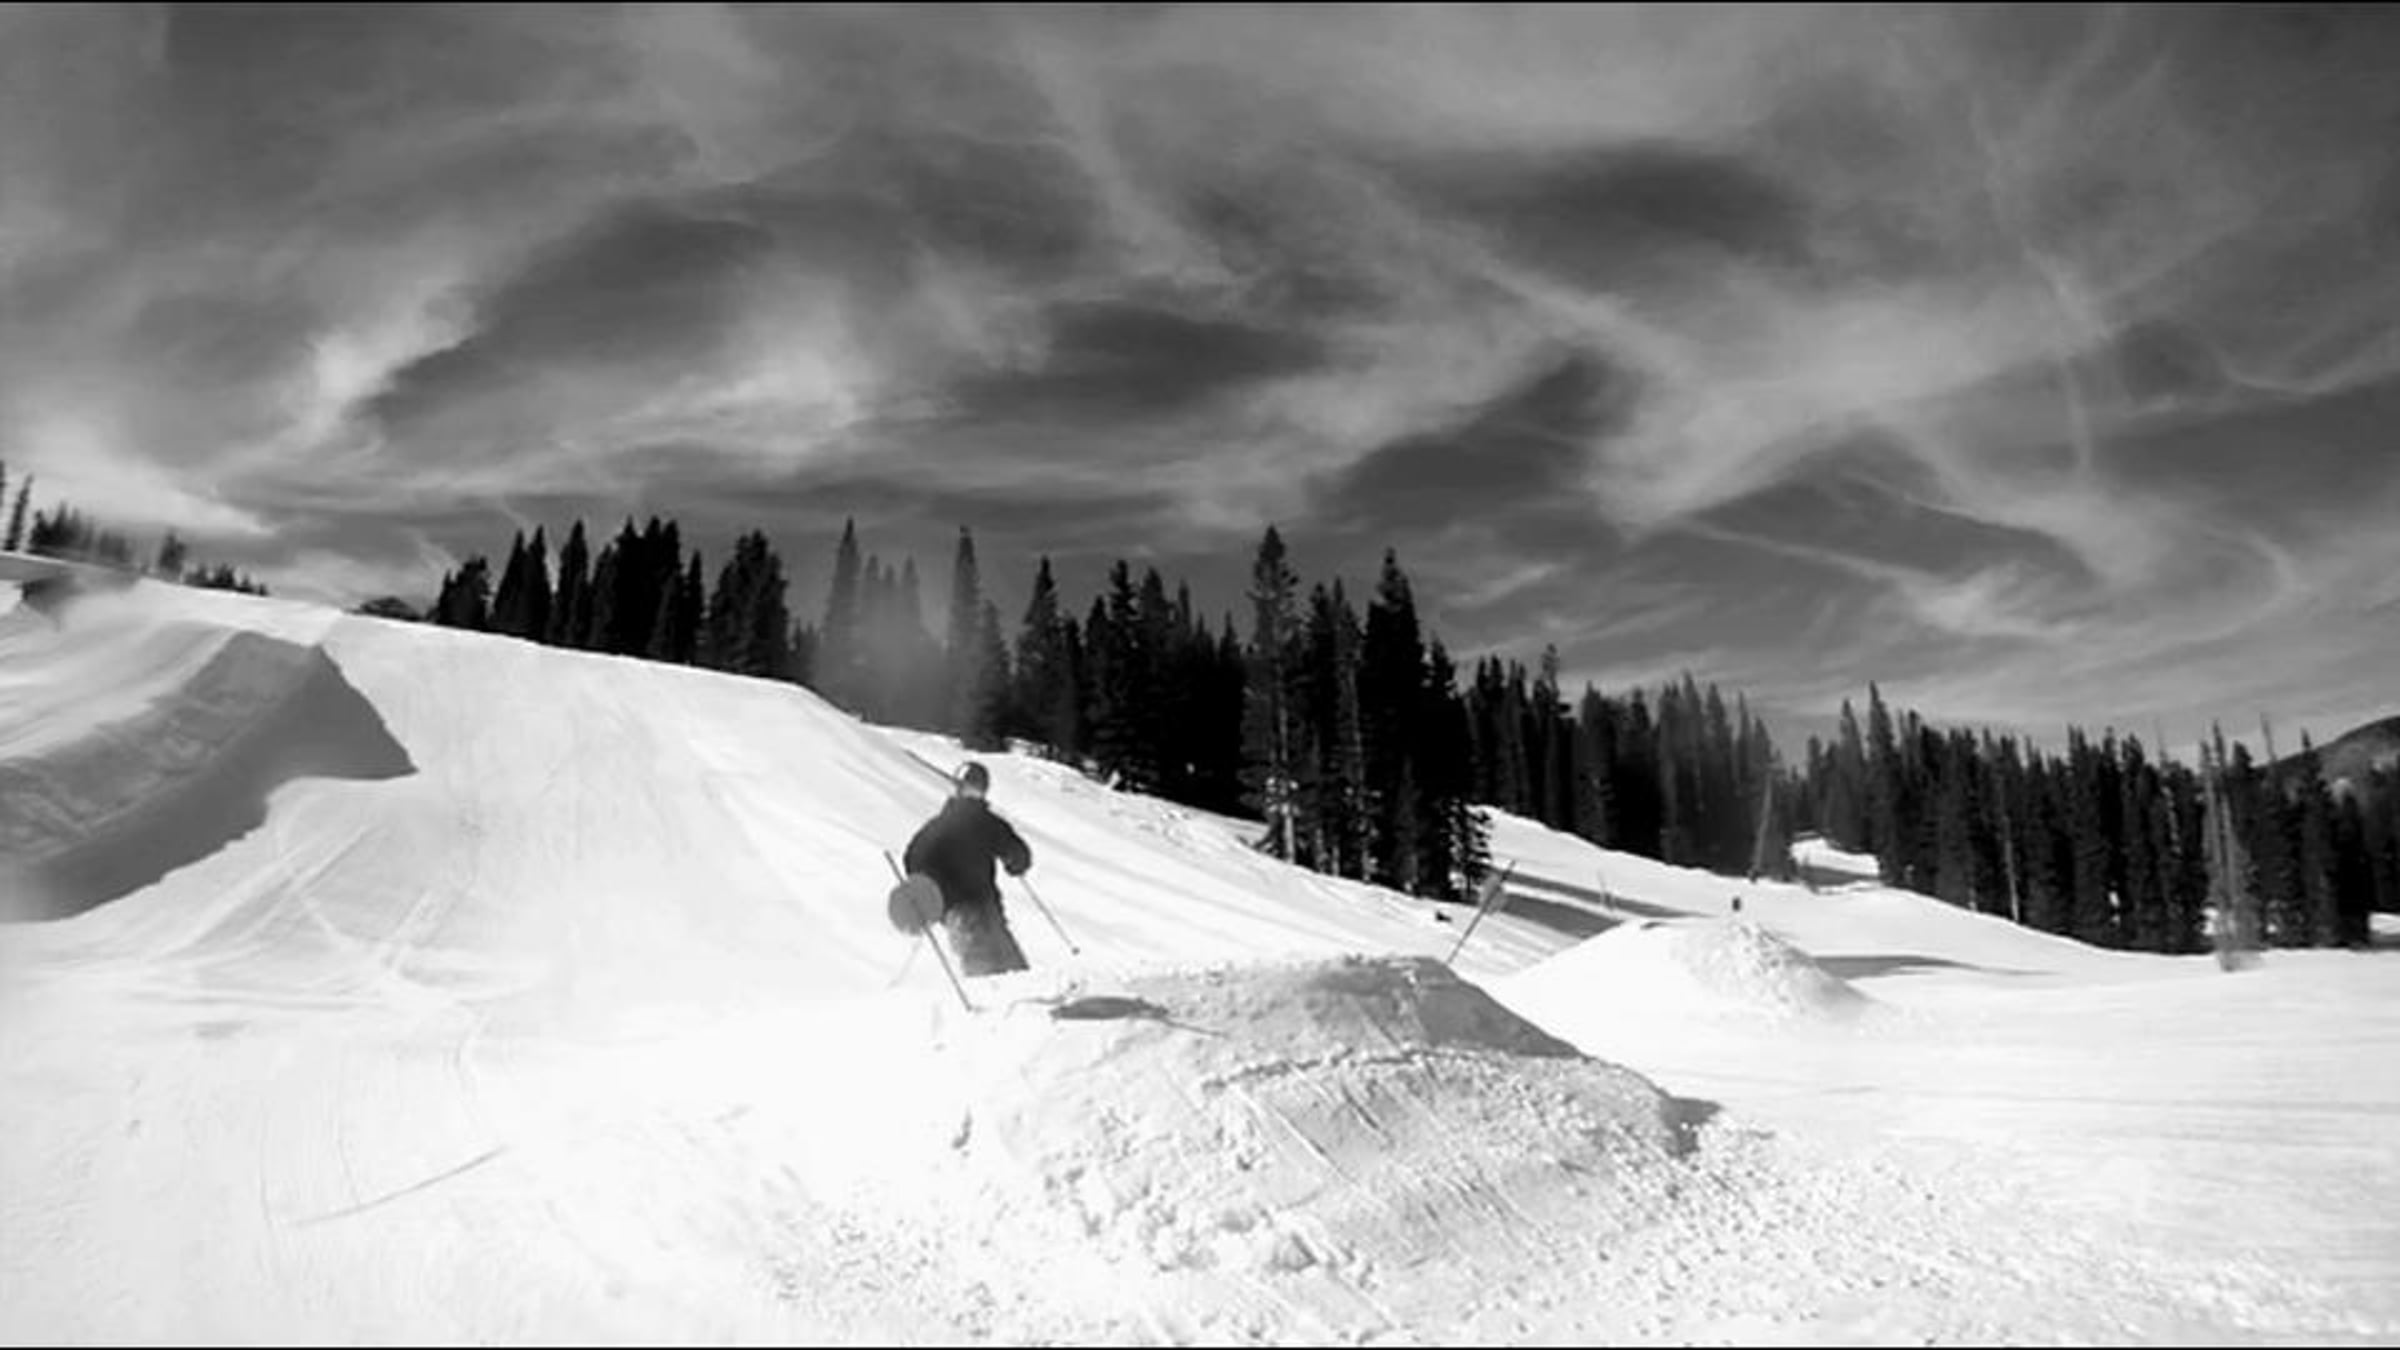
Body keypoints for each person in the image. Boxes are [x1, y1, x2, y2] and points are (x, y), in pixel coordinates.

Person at [902, 761, 1035, 977]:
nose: (973, 795)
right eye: (969, 788)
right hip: (958, 906)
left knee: (1009, 962)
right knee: (979, 957)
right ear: (957, 789)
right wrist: (924, 890)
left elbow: (1016, 850)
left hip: (986, 905)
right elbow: (914, 859)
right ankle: (986, 990)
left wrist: (1016, 860)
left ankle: (1020, 988)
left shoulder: (985, 823)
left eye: (978, 789)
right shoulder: (943, 826)